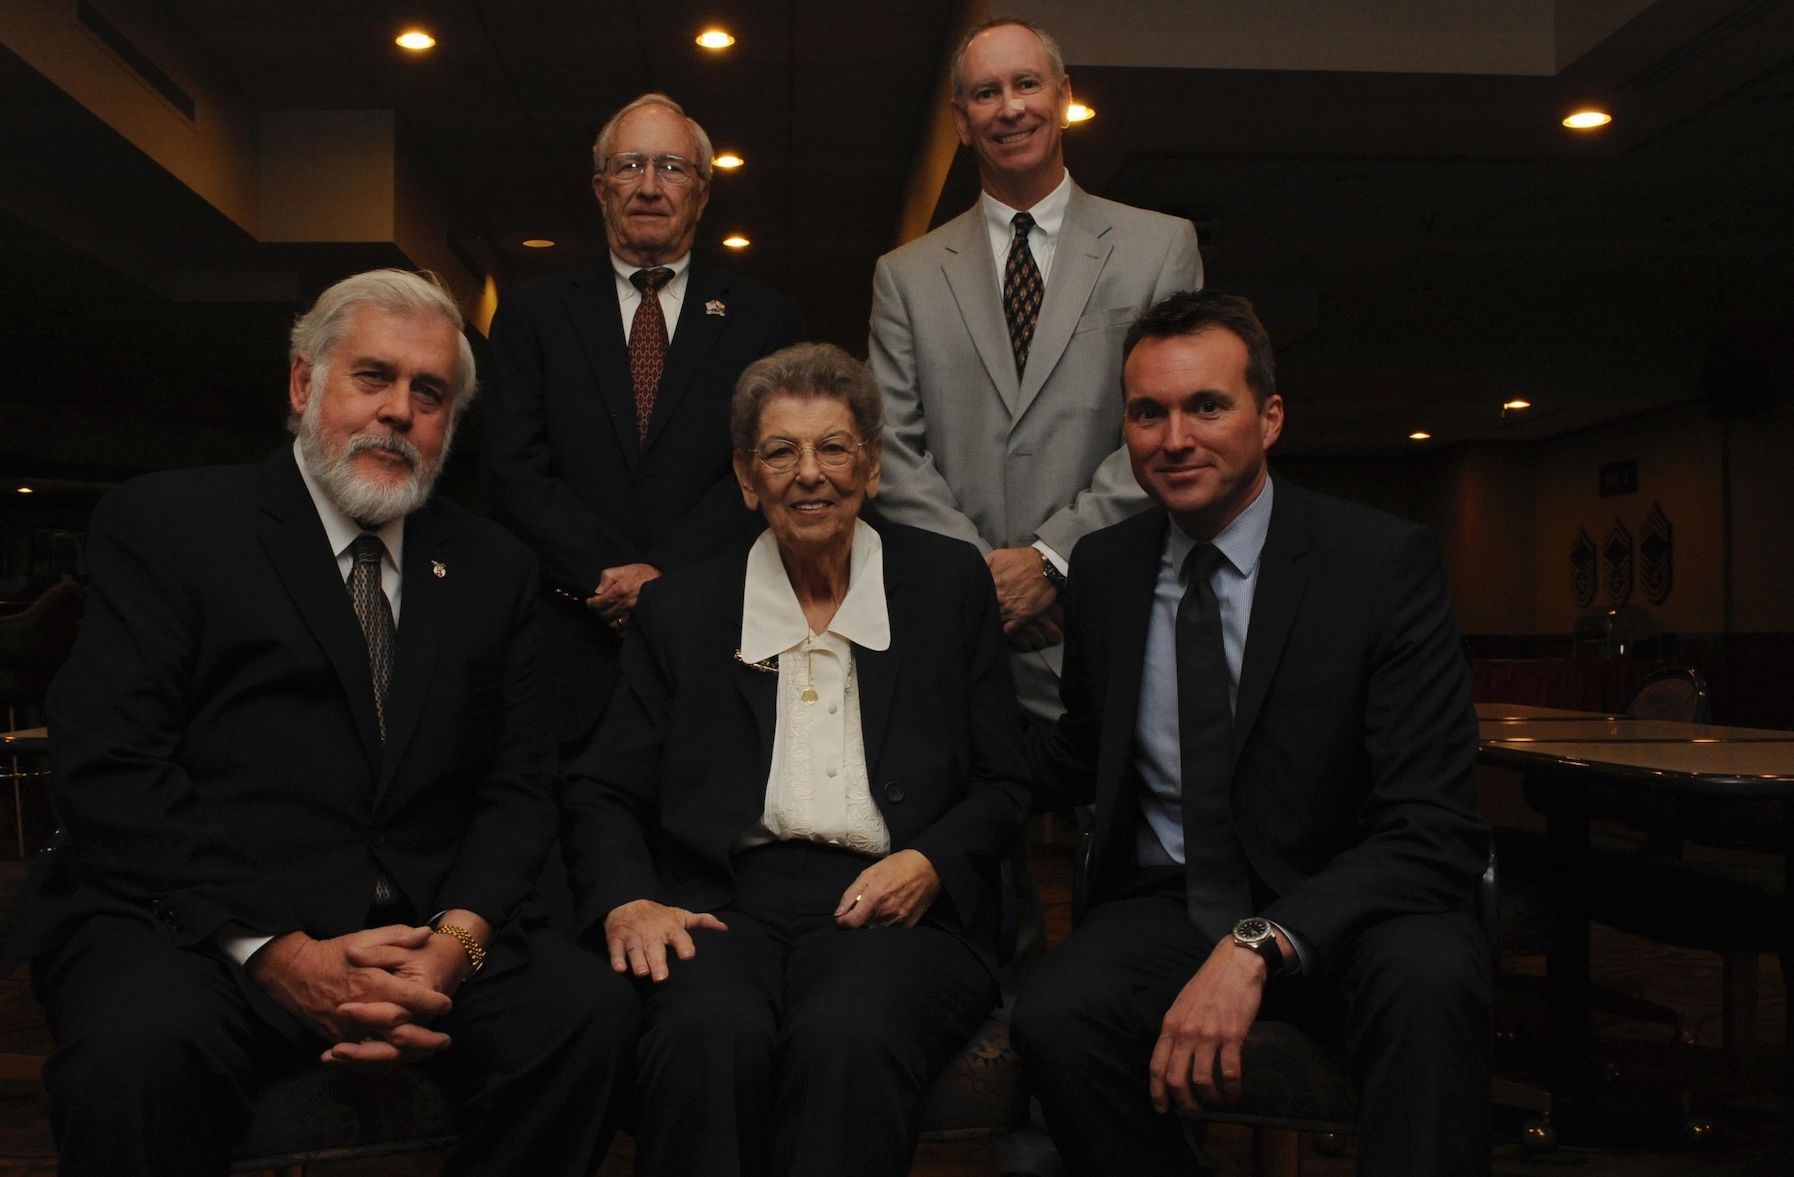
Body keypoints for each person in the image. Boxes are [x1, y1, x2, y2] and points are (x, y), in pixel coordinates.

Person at [5, 269, 638, 1177]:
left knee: (588, 1019)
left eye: (429, 394)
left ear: (450, 425)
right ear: (305, 385)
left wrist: (454, 948)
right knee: (134, 1053)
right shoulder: (173, 524)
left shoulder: (495, 567)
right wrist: (282, 953)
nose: (398, 412)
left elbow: (518, 786)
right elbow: (113, 765)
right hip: (203, 926)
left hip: (422, 934)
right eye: (372, 377)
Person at [1011, 290, 1494, 1176]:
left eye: (1207, 405)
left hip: (1353, 902)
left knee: (1434, 982)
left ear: (1269, 417)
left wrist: (1261, 941)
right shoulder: (1109, 571)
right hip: (1171, 898)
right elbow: (1079, 754)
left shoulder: (1381, 564)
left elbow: (1433, 826)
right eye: (1148, 412)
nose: (1174, 438)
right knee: (1055, 1013)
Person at [559, 342, 1031, 1177]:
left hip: (901, 909)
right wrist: (629, 899)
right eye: (781, 452)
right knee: (708, 1033)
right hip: (725, 905)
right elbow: (601, 786)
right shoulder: (684, 608)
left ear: (874, 466)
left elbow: (1005, 779)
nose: (809, 474)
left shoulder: (945, 583)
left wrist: (931, 859)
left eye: (834, 447)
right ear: (748, 479)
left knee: (847, 1034)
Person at [868, 16, 1202, 720]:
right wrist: (985, 584)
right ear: (961, 120)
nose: (1011, 106)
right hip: (961, 636)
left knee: (1120, 826)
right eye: (987, 93)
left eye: (1027, 84)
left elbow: (1175, 426)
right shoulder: (904, 276)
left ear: (1064, 95)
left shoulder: (1161, 248)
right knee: (965, 824)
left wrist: (1052, 563)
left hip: (1110, 618)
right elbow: (892, 450)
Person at [484, 92, 805, 751]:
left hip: (714, 639)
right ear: (601, 187)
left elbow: (772, 468)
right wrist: (612, 577)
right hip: (564, 645)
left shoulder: (767, 322)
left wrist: (665, 580)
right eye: (630, 166)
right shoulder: (531, 316)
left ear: (703, 192)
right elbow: (512, 472)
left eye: (672, 167)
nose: (650, 186)